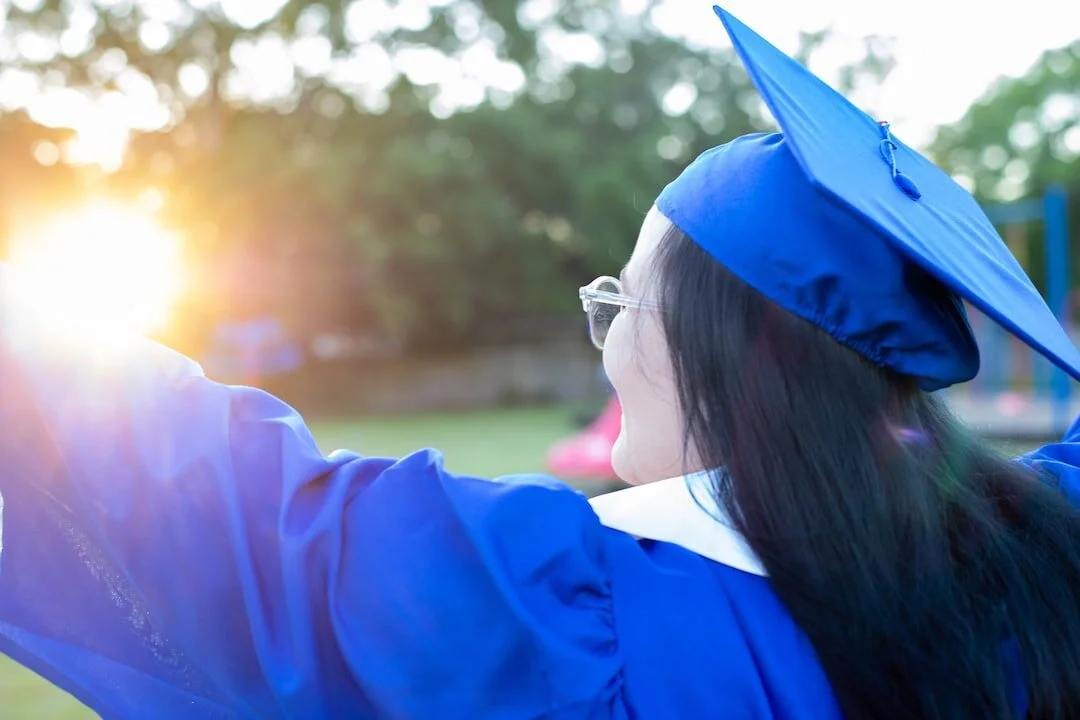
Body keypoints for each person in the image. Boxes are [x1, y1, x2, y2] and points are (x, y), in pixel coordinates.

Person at [3, 6, 1080, 718]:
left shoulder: (565, 616)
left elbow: (208, 499)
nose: (604, 341)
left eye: (619, 302)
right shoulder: (1046, 555)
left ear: (709, 350)